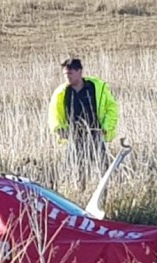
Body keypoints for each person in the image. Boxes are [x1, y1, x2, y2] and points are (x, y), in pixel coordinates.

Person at [48, 58, 120, 187]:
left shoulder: (96, 88)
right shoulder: (62, 93)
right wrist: (59, 129)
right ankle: (78, 191)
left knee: (104, 169)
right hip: (74, 136)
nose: (67, 78)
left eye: (70, 74)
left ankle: (108, 191)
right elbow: (54, 113)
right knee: (74, 170)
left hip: (95, 134)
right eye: (65, 74)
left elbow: (112, 108)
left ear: (79, 71)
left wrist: (106, 128)